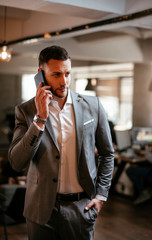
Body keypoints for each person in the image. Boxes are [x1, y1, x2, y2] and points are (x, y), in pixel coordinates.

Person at [8, 45, 114, 240]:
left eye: (67, 73)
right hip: (40, 212)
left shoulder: (93, 106)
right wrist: (39, 119)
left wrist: (101, 195)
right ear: (40, 74)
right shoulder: (25, 111)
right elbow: (17, 162)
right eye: (56, 74)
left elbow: (107, 153)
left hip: (81, 210)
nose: (64, 81)